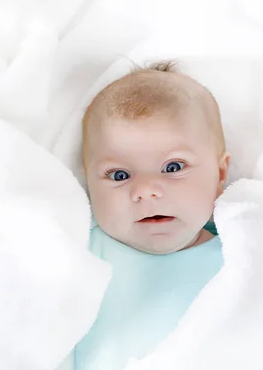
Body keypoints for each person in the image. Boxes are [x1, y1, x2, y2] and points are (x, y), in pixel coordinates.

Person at [72, 60, 230, 369]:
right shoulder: (80, 252)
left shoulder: (241, 253)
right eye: (119, 175)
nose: (146, 191)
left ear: (220, 173)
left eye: (172, 168)